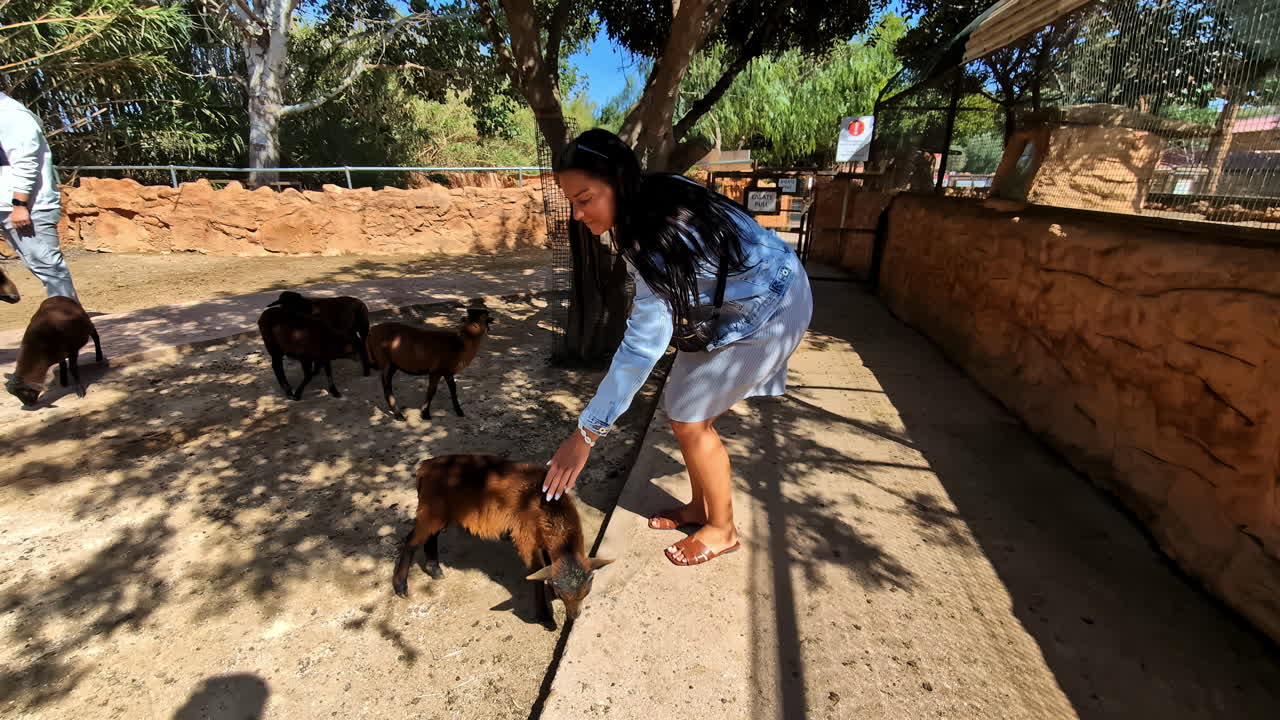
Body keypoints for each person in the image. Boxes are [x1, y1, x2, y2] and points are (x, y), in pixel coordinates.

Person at [543, 129, 812, 566]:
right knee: (684, 407)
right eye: (572, 201)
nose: (577, 214)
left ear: (618, 182)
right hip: (742, 299)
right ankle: (700, 507)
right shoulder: (654, 196)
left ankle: (722, 530)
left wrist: (586, 432)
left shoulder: (651, 238)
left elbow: (643, 346)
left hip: (773, 306)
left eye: (585, 198)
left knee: (690, 418)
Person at [0, 91, 78, 299]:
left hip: (26, 206)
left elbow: (26, 162)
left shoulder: (10, 115)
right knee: (43, 265)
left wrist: (19, 204)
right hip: (5, 203)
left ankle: (70, 323)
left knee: (49, 268)